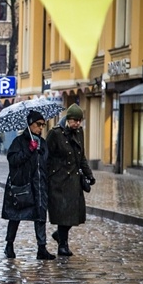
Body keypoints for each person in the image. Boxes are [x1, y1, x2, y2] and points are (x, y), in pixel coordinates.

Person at [1, 110, 56, 260]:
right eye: (38, 124)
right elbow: (13, 160)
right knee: (16, 216)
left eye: (43, 125)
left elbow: (47, 162)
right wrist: (29, 149)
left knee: (40, 217)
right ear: (30, 124)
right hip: (22, 186)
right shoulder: (18, 142)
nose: (41, 128)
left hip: (39, 186)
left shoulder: (42, 143)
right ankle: (9, 245)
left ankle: (41, 248)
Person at [46, 104, 95, 256]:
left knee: (75, 215)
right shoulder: (55, 133)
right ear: (68, 119)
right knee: (63, 215)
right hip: (59, 181)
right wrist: (48, 177)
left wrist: (89, 175)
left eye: (79, 121)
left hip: (74, 181)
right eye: (75, 120)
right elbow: (47, 156)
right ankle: (63, 246)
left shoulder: (79, 132)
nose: (77, 123)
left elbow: (81, 157)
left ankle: (59, 236)